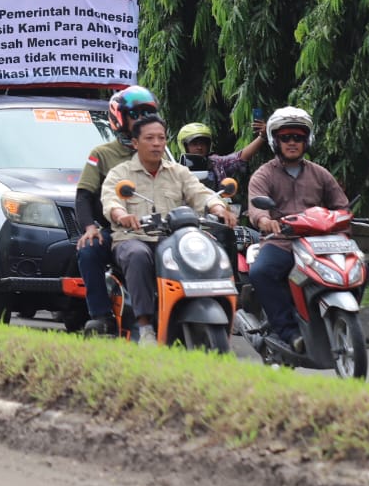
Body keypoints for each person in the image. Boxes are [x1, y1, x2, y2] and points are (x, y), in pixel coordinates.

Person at [101, 114, 233, 345]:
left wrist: (218, 207)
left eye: (161, 138)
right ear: (135, 143)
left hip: (173, 240)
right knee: (137, 255)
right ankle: (145, 328)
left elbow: (200, 193)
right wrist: (122, 215)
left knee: (207, 249)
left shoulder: (178, 172)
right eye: (150, 138)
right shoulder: (120, 173)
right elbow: (111, 201)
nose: (156, 143)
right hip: (133, 238)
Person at [246, 107, 351, 351]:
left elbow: (341, 206)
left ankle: (345, 320)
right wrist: (264, 221)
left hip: (320, 244)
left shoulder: (320, 174)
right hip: (282, 241)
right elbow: (256, 208)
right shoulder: (263, 174)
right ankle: (288, 331)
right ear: (275, 141)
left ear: (307, 140)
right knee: (261, 272)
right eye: (285, 137)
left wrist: (344, 224)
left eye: (298, 137)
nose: (292, 142)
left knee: (358, 268)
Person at [73, 85, 160, 335]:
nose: (142, 120)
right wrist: (89, 228)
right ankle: (102, 316)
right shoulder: (102, 154)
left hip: (157, 228)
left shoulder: (159, 152)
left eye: (148, 114)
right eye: (136, 114)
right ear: (119, 119)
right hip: (116, 230)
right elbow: (84, 195)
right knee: (88, 250)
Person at [176, 119, 262, 191]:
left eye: (203, 143)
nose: (199, 147)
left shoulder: (216, 162)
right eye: (194, 144)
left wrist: (262, 137)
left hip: (217, 204)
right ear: (184, 146)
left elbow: (240, 157)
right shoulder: (175, 170)